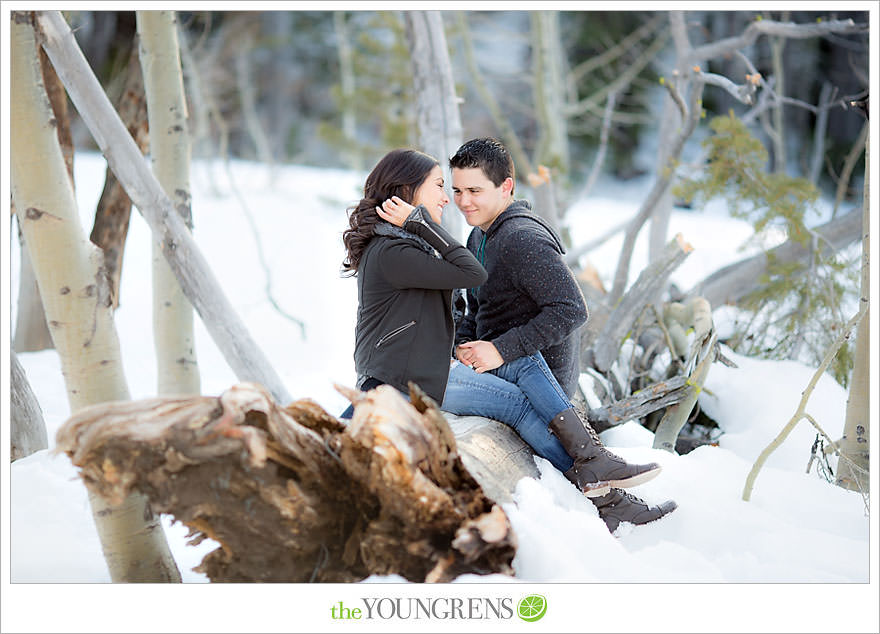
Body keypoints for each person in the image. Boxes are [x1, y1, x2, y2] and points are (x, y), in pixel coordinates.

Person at [439, 137, 677, 533]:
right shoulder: (480, 236)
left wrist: (500, 349)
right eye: (458, 190)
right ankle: (605, 488)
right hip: (498, 362)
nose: (464, 201)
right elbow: (475, 308)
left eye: (475, 191)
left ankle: (602, 484)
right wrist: (461, 347)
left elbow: (572, 310)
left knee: (519, 388)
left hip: (538, 377)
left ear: (506, 188)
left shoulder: (522, 240)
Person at [340, 148, 487, 417]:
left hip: (405, 379)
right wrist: (420, 222)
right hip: (399, 386)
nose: (446, 199)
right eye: (440, 187)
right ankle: (585, 457)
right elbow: (472, 272)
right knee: (520, 405)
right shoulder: (393, 252)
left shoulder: (401, 246)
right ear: (409, 188)